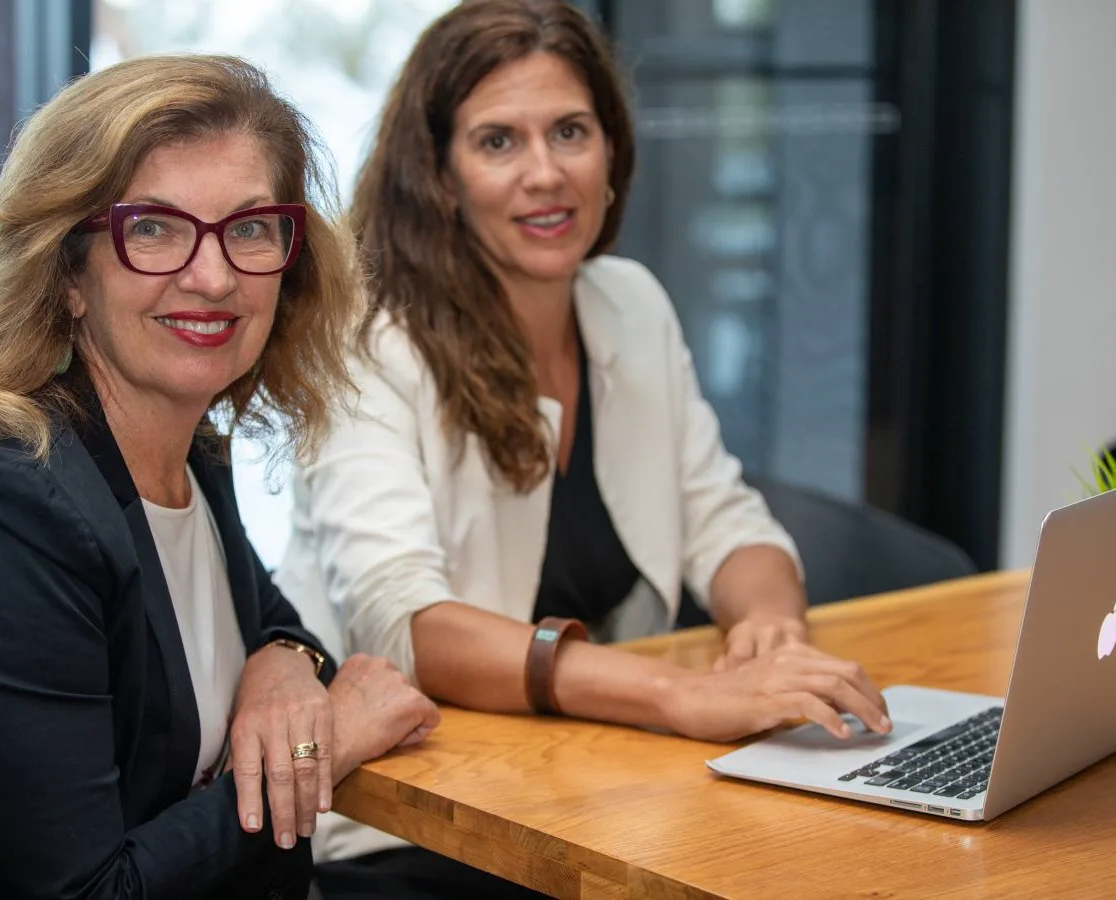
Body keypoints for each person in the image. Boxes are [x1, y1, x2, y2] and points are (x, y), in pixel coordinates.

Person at [277, 0, 891, 895]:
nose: (545, 173)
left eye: (571, 131)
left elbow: (726, 517)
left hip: (605, 789)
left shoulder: (630, 303)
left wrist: (771, 630)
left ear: (612, 154)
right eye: (498, 142)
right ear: (438, 175)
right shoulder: (370, 344)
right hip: (419, 821)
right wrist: (680, 696)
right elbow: (405, 623)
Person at [0, 54, 440, 900]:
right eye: (153, 228)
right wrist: (327, 743)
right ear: (70, 273)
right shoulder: (8, 502)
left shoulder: (193, 452)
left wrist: (282, 664)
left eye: (249, 228)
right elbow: (88, 892)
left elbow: (283, 627)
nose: (214, 275)